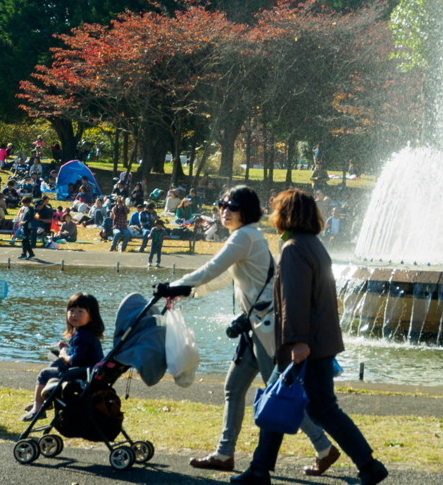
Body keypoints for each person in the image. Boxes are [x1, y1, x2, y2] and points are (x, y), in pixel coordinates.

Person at [156, 186, 339, 476]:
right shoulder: (247, 236)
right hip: (255, 328)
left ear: (248, 211)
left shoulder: (245, 236)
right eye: (222, 205)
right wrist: (181, 293)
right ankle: (224, 453)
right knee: (234, 388)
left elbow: (211, 268)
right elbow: (221, 278)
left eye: (232, 206)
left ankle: (323, 447)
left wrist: (176, 286)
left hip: (265, 330)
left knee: (277, 394)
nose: (224, 211)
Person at [231, 189, 387, 485]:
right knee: (293, 403)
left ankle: (368, 465)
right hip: (319, 343)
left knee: (298, 403)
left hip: (305, 346)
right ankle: (260, 469)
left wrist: (297, 341)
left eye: (276, 208)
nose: (272, 214)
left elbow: (295, 300)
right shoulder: (313, 244)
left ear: (285, 214)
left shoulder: (292, 248)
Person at [22, 292, 105, 421]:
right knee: (54, 364)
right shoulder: (87, 333)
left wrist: (63, 353)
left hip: (81, 375)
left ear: (91, 316)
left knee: (44, 373)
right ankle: (45, 401)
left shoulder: (82, 336)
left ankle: (37, 408)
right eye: (71, 310)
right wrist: (66, 348)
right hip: (88, 372)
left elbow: (74, 361)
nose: (74, 314)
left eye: (80, 311)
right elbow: (81, 354)